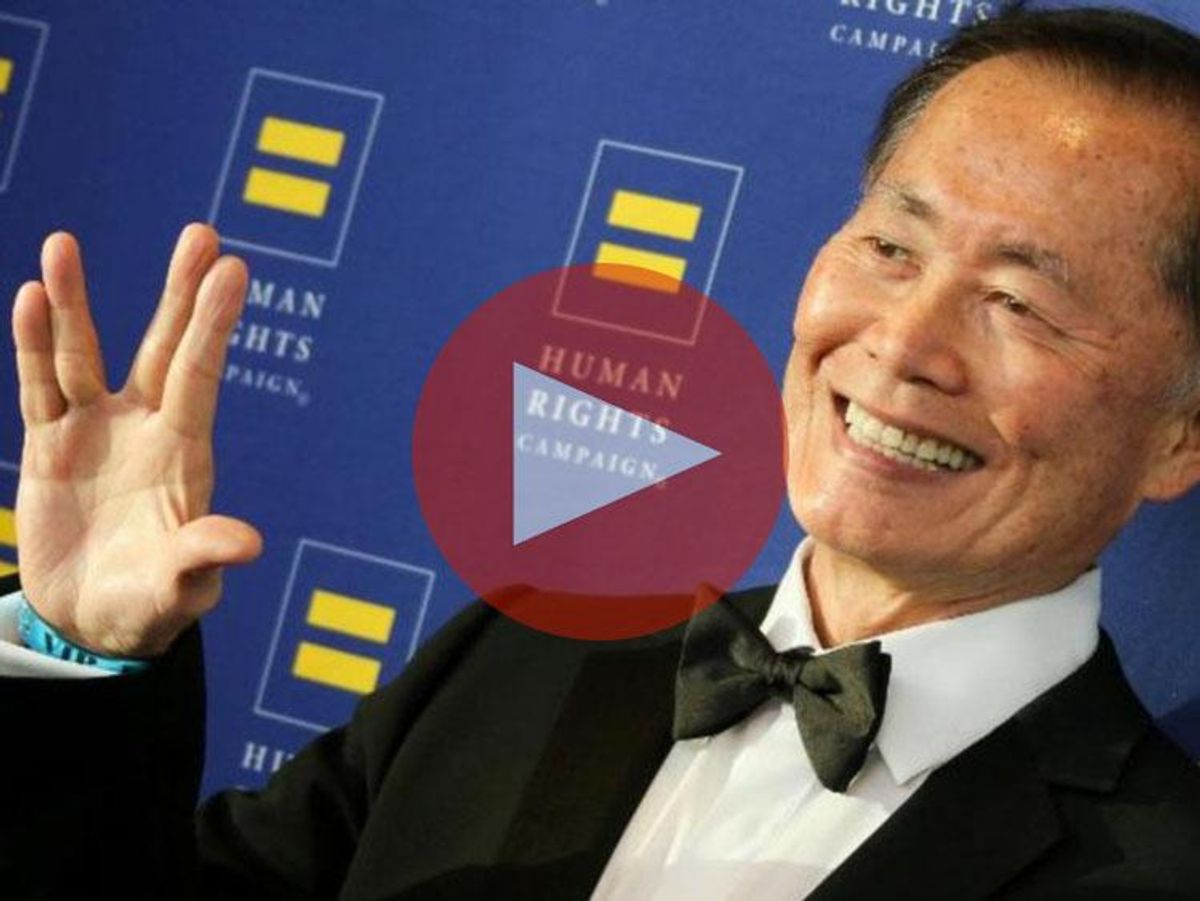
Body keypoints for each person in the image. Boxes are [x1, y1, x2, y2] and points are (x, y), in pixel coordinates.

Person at [3, 4, 1200, 898]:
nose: (903, 345)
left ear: (1179, 436)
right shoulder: (523, 653)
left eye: (1020, 303)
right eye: (891, 248)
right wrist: (83, 650)